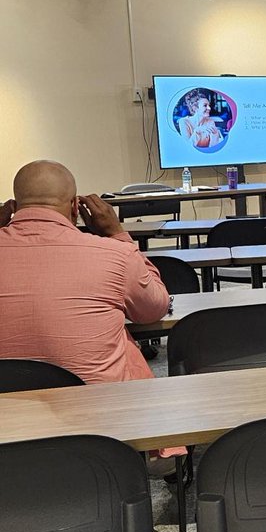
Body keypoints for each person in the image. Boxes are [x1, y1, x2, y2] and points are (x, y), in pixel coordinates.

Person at [0, 160, 170, 382]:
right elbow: (154, 309)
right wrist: (118, 233)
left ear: (11, 208)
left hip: (9, 410)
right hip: (99, 407)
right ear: (74, 207)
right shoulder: (116, 254)